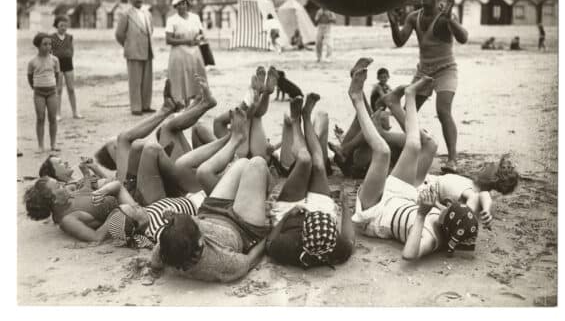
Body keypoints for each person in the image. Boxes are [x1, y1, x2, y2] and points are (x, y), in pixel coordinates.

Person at [347, 59, 479, 259]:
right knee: (415, 145)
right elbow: (468, 204)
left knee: (383, 152)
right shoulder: (446, 220)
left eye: (450, 208)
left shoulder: (432, 237)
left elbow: (409, 255)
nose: (449, 204)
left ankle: (356, 97)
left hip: (375, 212)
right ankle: (410, 96)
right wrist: (435, 206)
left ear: (447, 223)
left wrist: (422, 214)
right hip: (400, 198)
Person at [149, 110, 271, 282]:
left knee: (242, 163)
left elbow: (156, 260)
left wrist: (153, 268)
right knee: (256, 163)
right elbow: (249, 261)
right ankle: (267, 191)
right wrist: (267, 237)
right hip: (242, 228)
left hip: (212, 212)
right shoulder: (220, 263)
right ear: (201, 242)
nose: (194, 219)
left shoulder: (167, 246)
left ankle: (235, 141)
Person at [387, 0, 469, 174]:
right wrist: (393, 24)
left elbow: (464, 38)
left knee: (443, 110)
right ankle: (416, 146)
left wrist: (450, 19)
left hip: (446, 69)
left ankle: (452, 159)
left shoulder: (445, 15)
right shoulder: (413, 17)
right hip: (424, 71)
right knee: (407, 112)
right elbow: (399, 41)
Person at [266, 94, 354, 268]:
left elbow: (270, 242)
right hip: (323, 216)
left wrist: (286, 217)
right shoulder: (337, 247)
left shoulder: (289, 247)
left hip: (290, 214)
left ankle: (295, 121)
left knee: (305, 160)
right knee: (319, 165)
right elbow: (350, 240)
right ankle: (306, 116)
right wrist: (344, 206)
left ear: (302, 234)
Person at [419, 153, 519, 230]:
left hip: (426, 187)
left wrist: (436, 205)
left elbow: (482, 196)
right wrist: (487, 210)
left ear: (492, 179)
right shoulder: (473, 186)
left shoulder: (473, 192)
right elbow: (484, 195)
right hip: (429, 182)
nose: (486, 166)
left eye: (490, 167)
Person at [23, 176, 136, 243]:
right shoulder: (68, 220)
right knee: (117, 184)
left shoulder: (67, 198)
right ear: (54, 200)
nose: (63, 185)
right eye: (58, 186)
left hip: (127, 194)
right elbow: (96, 238)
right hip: (132, 210)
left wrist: (87, 173)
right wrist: (117, 213)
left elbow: (85, 191)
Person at [115, 0, 155, 116]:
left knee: (147, 81)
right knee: (135, 81)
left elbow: (151, 30)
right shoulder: (126, 14)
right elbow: (119, 34)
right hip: (133, 51)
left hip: (148, 50)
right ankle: (136, 107)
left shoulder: (147, 13)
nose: (139, 0)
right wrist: (128, 45)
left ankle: (146, 105)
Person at [165, 0, 208, 107]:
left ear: (187, 5)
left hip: (194, 53)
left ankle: (196, 104)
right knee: (181, 78)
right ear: (175, 6)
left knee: (195, 77)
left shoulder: (195, 17)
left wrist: (198, 39)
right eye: (179, 4)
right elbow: (168, 39)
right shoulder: (172, 20)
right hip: (179, 53)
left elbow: (201, 34)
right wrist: (186, 41)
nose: (182, 6)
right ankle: (181, 104)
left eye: (184, 3)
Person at [27, 33, 60, 153]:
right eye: (45, 44)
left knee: (53, 118)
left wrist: (54, 87)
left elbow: (57, 75)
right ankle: (40, 145)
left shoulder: (55, 60)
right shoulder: (32, 62)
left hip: (52, 92)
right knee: (40, 118)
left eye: (50, 44)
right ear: (38, 46)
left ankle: (53, 143)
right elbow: (30, 77)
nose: (48, 46)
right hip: (39, 93)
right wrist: (35, 88)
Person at [51, 15, 82, 120]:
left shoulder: (70, 37)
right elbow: (50, 52)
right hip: (57, 65)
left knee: (71, 89)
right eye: (61, 25)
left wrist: (67, 56)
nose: (63, 28)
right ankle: (57, 114)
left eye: (65, 25)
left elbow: (72, 50)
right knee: (58, 90)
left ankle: (75, 112)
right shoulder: (52, 37)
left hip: (68, 64)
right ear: (56, 26)